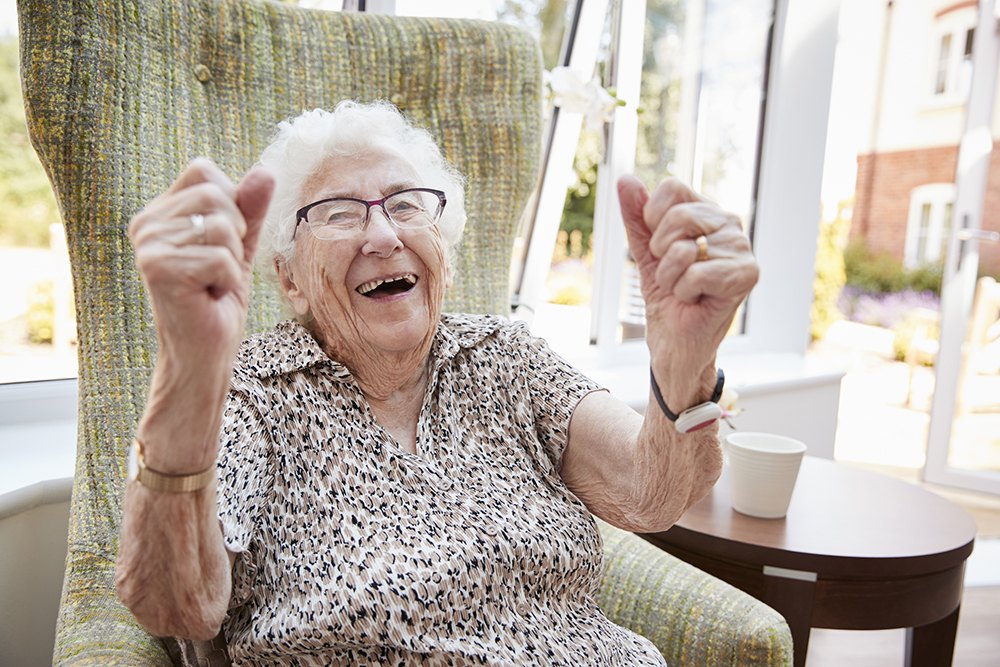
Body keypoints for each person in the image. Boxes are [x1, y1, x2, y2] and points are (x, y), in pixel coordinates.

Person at [115, 100, 759, 666]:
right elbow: (178, 606)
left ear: (442, 247)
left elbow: (651, 493)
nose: (384, 234)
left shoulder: (504, 356)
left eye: (405, 205)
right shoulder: (250, 391)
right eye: (339, 214)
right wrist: (187, 370)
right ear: (289, 277)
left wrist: (685, 360)